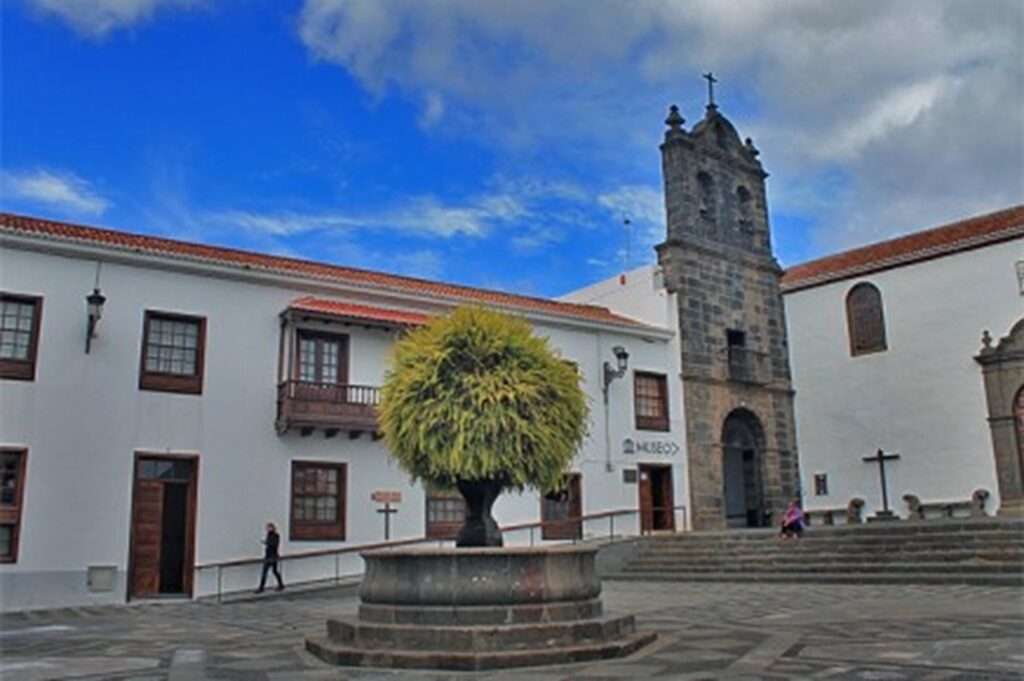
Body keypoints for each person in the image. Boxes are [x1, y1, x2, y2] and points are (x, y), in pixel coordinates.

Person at [255, 522, 285, 593]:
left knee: (273, 571)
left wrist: (267, 543)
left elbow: (274, 544)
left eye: (269, 527)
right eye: (267, 528)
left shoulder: (276, 535)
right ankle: (262, 587)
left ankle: (280, 585)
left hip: (273, 556)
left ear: (273, 528)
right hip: (268, 555)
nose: (267, 529)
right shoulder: (268, 535)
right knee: (266, 571)